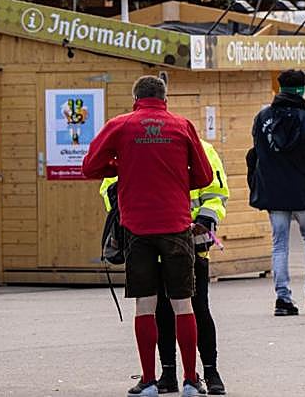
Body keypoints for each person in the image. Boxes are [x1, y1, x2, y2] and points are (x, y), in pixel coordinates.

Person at [82, 75, 214, 397]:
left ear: (135, 99)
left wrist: (120, 165)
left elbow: (90, 166)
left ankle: (149, 380)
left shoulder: (121, 125)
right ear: (165, 99)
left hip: (137, 228)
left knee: (145, 304)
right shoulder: (181, 125)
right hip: (175, 225)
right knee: (183, 304)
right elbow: (204, 175)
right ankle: (190, 380)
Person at [101, 139, 230, 395]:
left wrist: (206, 216)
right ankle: (168, 373)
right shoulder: (134, 147)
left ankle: (210, 370)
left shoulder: (201, 148)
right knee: (161, 311)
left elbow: (216, 191)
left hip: (191, 241)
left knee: (198, 308)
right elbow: (108, 188)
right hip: (149, 240)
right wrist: (123, 197)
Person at [249, 69, 305, 317]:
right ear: (302, 90)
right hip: (302, 190)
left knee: (279, 244)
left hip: (274, 191)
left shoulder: (262, 117)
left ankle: (282, 299)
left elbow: (256, 151)